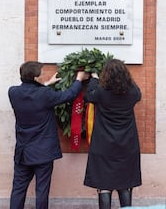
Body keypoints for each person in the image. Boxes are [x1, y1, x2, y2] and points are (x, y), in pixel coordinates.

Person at [8, 61, 89, 209]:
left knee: (18, 189)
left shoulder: (13, 92)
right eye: (42, 73)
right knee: (42, 190)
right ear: (35, 77)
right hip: (43, 152)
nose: (44, 74)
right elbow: (68, 95)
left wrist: (46, 84)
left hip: (23, 151)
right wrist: (79, 79)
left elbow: (33, 96)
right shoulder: (44, 94)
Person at [83, 59, 142, 209]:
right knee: (125, 184)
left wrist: (95, 79)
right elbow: (138, 93)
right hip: (127, 145)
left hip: (104, 145)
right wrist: (127, 80)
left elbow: (89, 95)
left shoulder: (102, 92)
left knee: (104, 186)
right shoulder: (132, 92)